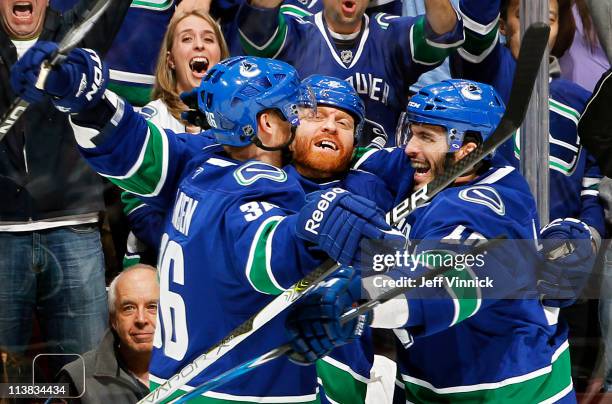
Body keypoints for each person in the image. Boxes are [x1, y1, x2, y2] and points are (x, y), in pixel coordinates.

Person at [10, 43, 403, 401]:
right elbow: (267, 251)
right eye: (301, 110)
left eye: (343, 121)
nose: (310, 121)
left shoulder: (201, 162)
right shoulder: (257, 183)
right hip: (243, 392)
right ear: (266, 124)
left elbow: (130, 146)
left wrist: (87, 102)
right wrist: (311, 233)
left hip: (179, 384)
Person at [286, 79, 594, 402]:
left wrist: (360, 303)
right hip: (439, 388)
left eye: (425, 137)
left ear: (467, 151)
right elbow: (348, 159)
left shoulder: (488, 207)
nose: (409, 148)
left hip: (514, 393)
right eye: (414, 132)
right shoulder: (425, 170)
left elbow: (443, 283)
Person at [0, 0, 131, 381]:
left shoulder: (78, 32)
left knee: (88, 379)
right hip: (2, 234)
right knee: (5, 383)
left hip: (73, 229)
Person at [450, 0, 605, 286]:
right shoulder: (486, 77)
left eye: (549, 18)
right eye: (524, 16)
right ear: (502, 26)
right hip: (491, 256)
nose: (539, 26)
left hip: (563, 264)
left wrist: (586, 243)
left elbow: (592, 190)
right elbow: (475, 32)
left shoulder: (581, 100)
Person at [236, 0, 463, 146]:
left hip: (379, 176)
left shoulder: (390, 35)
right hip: (307, 173)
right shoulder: (297, 33)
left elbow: (444, 33)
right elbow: (257, 23)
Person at [123, 8, 229, 267]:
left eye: (208, 38)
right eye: (187, 39)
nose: (199, 45)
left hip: (226, 250)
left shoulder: (240, 119)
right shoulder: (152, 118)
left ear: (221, 58)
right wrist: (186, 245)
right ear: (170, 60)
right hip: (161, 254)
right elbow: (137, 205)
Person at [56, 264, 159, 403]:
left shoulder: (196, 368)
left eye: (153, 307)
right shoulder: (78, 378)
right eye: (129, 308)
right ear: (113, 320)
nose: (141, 319)